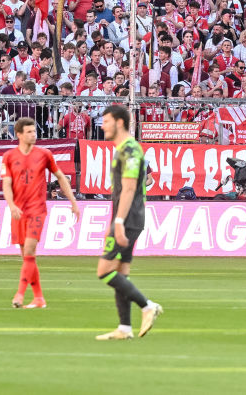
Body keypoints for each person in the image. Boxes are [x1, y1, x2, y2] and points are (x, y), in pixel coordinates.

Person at [95, 105, 163, 340]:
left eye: (106, 121)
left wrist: (120, 222)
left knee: (104, 271)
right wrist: (113, 221)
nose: (102, 125)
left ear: (119, 123)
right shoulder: (124, 149)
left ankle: (147, 306)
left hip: (130, 218)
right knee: (121, 271)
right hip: (128, 217)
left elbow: (130, 188)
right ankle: (125, 327)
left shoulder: (130, 150)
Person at [1, 117, 79, 309]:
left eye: (34, 131)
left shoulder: (44, 154)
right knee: (27, 256)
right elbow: (7, 184)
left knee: (29, 251)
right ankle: (39, 298)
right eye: (28, 132)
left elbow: (60, 176)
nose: (33, 135)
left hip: (37, 209)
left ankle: (19, 294)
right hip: (18, 211)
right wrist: (11, 205)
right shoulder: (9, 157)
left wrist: (73, 201)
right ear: (19, 134)